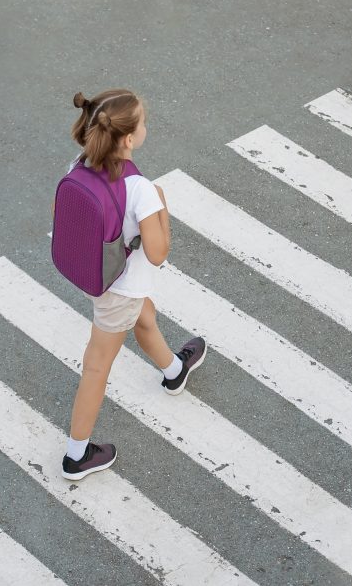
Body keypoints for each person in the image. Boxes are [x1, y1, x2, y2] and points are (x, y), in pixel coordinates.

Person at [60, 89, 206, 481]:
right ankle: (77, 455)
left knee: (145, 316)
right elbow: (158, 253)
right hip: (120, 285)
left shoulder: (82, 161)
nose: (147, 127)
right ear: (128, 138)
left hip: (97, 272)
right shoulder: (140, 189)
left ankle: (174, 371)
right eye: (143, 123)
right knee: (96, 367)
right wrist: (161, 208)